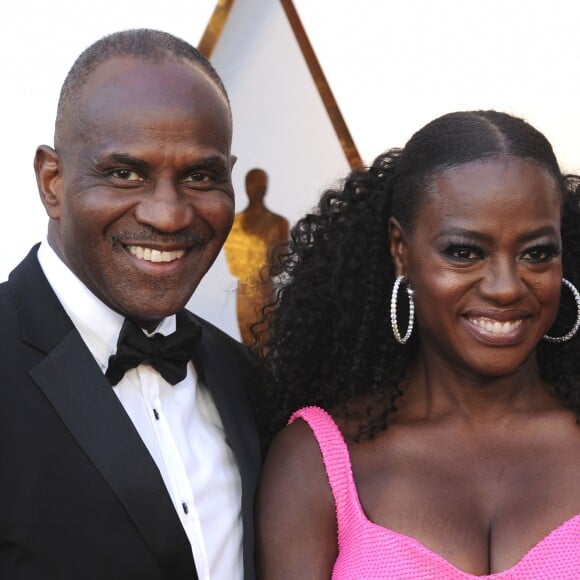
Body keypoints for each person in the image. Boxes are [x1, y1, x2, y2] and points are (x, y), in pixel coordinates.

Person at [255, 110, 580, 578]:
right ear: (400, 251)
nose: (507, 287)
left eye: (537, 253)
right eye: (464, 252)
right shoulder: (317, 462)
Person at [0, 29, 260, 580]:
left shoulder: (250, 383)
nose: (168, 216)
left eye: (199, 176)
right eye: (124, 173)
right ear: (52, 181)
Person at [224, 168, 289, 345]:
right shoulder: (234, 223)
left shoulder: (278, 223)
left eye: (259, 184)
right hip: (245, 294)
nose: (255, 189)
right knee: (249, 345)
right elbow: (234, 265)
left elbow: (280, 264)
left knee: (269, 343)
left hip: (266, 292)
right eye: (252, 184)